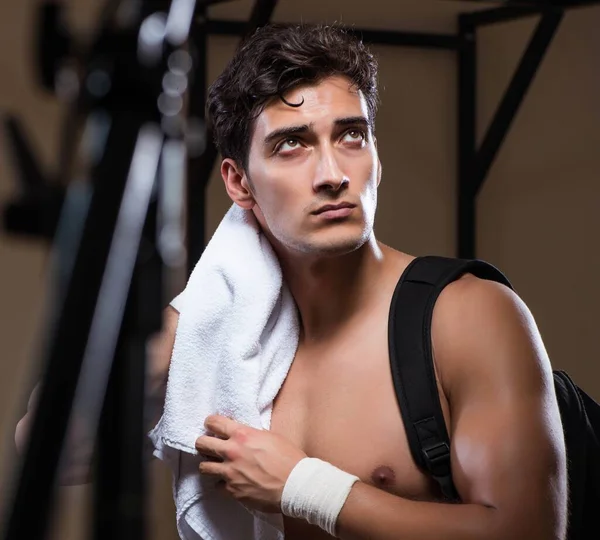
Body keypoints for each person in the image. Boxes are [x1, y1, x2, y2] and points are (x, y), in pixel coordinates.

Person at [16, 23, 567, 539]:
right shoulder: (229, 342)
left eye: (351, 136)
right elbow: (50, 451)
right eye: (292, 144)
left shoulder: (466, 314)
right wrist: (177, 329)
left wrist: (303, 487)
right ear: (238, 183)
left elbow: (529, 530)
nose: (333, 174)